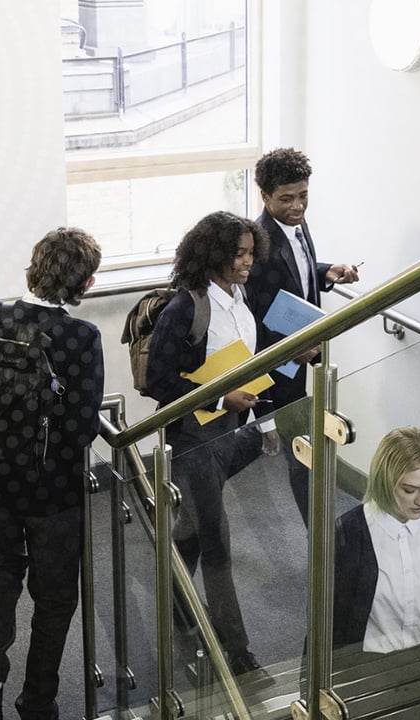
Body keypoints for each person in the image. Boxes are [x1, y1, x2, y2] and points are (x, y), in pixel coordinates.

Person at [0, 227, 105, 720]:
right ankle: (38, 701)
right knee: (54, 599)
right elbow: (81, 429)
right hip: (49, 488)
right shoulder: (80, 336)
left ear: (34, 266)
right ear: (85, 282)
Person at [144, 210, 277, 682]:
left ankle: (175, 602)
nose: (247, 262)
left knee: (197, 529)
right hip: (194, 439)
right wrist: (221, 396)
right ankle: (236, 652)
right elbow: (158, 381)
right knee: (217, 540)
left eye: (250, 253)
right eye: (238, 254)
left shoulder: (241, 299)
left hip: (233, 432)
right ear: (214, 255)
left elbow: (248, 363)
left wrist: (261, 426)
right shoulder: (186, 308)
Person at [246, 147, 360, 526]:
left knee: (303, 447)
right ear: (265, 196)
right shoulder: (256, 243)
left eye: (303, 196)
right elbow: (252, 318)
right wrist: (290, 351)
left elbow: (298, 274)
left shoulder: (297, 224)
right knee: (302, 450)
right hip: (277, 364)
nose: (297, 206)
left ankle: (319, 532)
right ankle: (320, 535)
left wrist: (328, 272)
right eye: (287, 199)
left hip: (303, 357)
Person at [332, 427, 420, 660]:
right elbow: (330, 624)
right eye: (409, 490)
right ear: (385, 480)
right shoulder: (345, 535)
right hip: (370, 665)